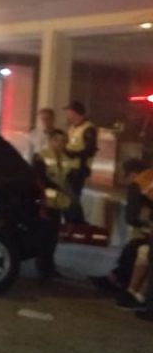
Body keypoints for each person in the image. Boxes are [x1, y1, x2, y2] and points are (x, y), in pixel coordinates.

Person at [90, 159, 153, 295]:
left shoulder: (138, 184)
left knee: (135, 248)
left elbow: (132, 218)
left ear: (131, 174)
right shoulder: (149, 177)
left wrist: (143, 224)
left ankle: (124, 286)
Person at [33, 129, 72, 280]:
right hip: (45, 203)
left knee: (53, 238)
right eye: (59, 140)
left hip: (58, 204)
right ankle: (43, 267)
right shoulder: (41, 156)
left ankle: (49, 267)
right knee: (44, 237)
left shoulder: (66, 159)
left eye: (64, 141)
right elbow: (39, 179)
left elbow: (68, 179)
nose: (62, 144)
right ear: (51, 140)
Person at [63, 100, 98, 224]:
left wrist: (73, 154)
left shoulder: (88, 129)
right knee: (68, 197)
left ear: (75, 113)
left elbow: (90, 149)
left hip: (79, 169)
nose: (67, 115)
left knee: (72, 197)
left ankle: (78, 223)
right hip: (69, 167)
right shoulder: (72, 128)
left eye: (69, 112)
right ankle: (71, 222)